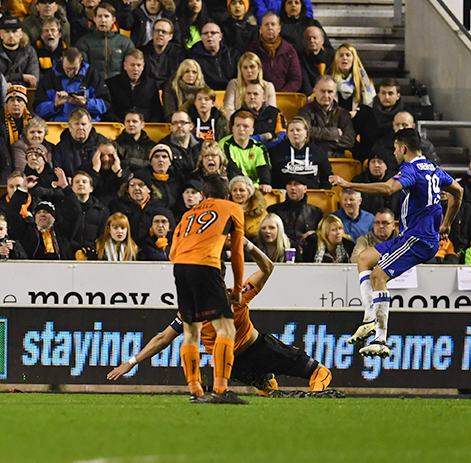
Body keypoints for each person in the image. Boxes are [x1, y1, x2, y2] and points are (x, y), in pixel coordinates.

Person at [108, 241, 337, 396]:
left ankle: (313, 397)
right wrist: (131, 363)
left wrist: (247, 244)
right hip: (236, 362)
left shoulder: (235, 295)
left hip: (257, 353)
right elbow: (163, 339)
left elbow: (268, 267)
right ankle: (283, 391)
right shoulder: (201, 306)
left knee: (315, 374)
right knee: (279, 386)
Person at [331, 128, 463, 357]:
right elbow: (458, 191)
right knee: (364, 259)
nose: (394, 153)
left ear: (403, 148)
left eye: (395, 149)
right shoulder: (433, 168)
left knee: (377, 276)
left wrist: (348, 185)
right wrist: (446, 223)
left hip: (417, 239)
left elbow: (388, 188)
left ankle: (380, 339)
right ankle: (369, 317)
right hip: (414, 237)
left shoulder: (411, 169)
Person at [168, 176, 247, 403]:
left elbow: (173, 253)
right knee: (226, 328)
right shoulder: (232, 208)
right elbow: (238, 252)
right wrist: (238, 288)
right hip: (206, 265)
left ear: (202, 196)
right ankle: (221, 390)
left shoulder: (187, 214)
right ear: (228, 194)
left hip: (181, 268)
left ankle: (195, 391)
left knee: (191, 330)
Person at [298, 76, 356, 158]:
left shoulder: (343, 114)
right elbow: (305, 133)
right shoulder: (305, 111)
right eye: (322, 91)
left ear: (335, 93)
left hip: (338, 160)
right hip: (312, 159)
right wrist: (334, 133)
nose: (326, 95)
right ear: (314, 91)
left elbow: (349, 141)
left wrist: (319, 143)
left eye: (330, 92)